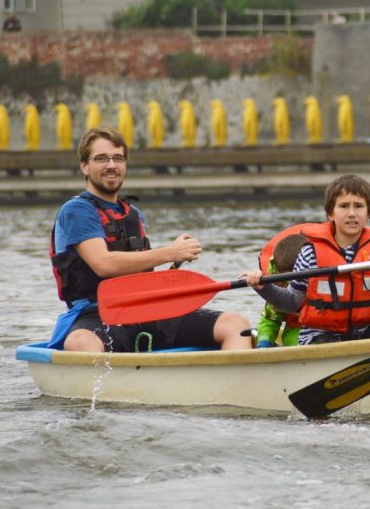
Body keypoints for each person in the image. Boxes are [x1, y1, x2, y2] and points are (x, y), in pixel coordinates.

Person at [50, 126, 252, 352]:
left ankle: (230, 384)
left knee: (237, 325)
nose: (111, 165)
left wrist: (174, 266)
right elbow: (103, 265)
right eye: (101, 159)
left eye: (118, 158)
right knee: (80, 344)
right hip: (98, 314)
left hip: (145, 309)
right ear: (84, 166)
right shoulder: (77, 210)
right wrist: (170, 252)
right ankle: (108, 387)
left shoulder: (133, 214)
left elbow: (140, 275)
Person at [244, 174, 370, 345]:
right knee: (324, 340)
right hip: (321, 335)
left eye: (358, 206)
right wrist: (264, 287)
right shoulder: (310, 253)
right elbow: (293, 302)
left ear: (369, 214)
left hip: (363, 330)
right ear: (330, 214)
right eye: (344, 206)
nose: (351, 213)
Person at [255, 231, 370, 348]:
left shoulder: (341, 270)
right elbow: (270, 320)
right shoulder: (279, 285)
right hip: (307, 331)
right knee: (299, 340)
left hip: (362, 324)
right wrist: (263, 347)